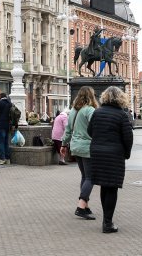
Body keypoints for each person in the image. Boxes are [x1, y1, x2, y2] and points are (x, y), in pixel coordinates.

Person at [88, 86, 133, 234]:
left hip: (97, 153)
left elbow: (90, 131)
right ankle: (107, 223)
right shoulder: (121, 115)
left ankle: (106, 220)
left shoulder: (97, 112)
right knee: (112, 187)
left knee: (103, 186)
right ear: (121, 98)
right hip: (114, 155)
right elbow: (128, 137)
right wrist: (126, 153)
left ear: (105, 97)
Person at [61, 86, 98, 220]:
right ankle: (81, 206)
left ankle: (85, 205)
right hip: (87, 147)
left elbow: (68, 130)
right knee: (91, 177)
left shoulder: (73, 111)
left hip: (75, 147)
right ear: (91, 96)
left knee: (84, 176)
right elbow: (96, 126)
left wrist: (64, 144)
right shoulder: (90, 110)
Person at [0, 92, 12, 165]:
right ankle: (7, 159)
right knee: (6, 142)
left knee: (1, 142)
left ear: (0, 97)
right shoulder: (10, 103)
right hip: (8, 126)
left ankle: (1, 159)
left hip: (1, 125)